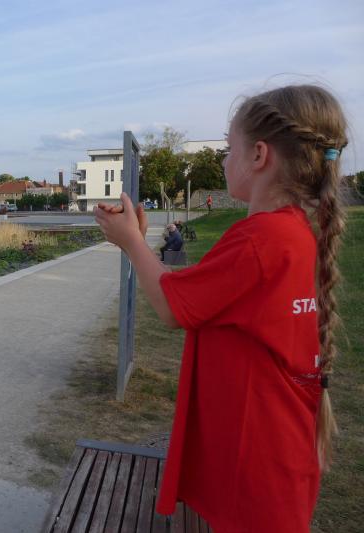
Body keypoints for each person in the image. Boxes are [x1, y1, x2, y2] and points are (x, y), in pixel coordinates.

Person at [93, 84, 347, 532]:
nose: (225, 161)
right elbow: (190, 293)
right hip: (279, 454)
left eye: (230, 149)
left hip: (255, 468)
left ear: (259, 155)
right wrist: (139, 242)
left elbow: (172, 307)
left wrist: (131, 242)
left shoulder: (261, 241)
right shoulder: (291, 233)